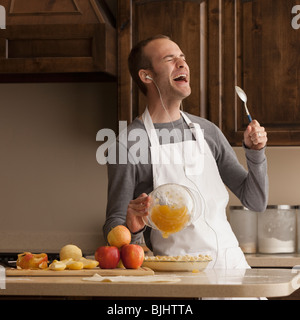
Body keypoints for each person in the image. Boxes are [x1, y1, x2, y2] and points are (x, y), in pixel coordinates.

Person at [103, 35, 268, 269]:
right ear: (146, 75)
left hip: (234, 271)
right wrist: (132, 229)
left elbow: (256, 201)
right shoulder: (127, 144)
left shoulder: (207, 131)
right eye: (170, 59)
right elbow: (114, 225)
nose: (182, 64)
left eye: (183, 58)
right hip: (179, 277)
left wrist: (255, 153)